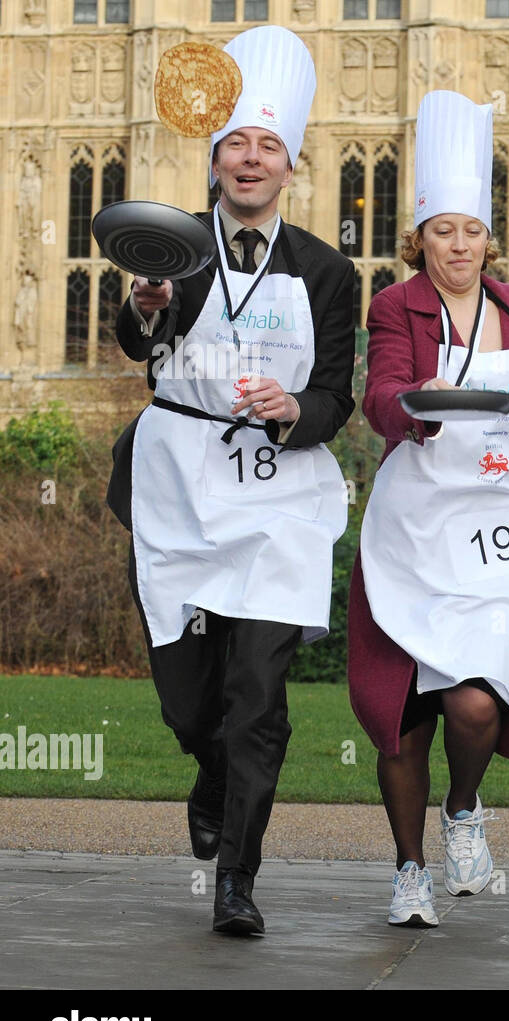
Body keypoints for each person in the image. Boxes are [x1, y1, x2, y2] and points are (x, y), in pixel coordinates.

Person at [108, 25, 354, 936]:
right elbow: (142, 347)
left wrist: (295, 409)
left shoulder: (328, 271)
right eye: (236, 145)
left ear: (291, 163)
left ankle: (237, 881)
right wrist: (145, 306)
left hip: (277, 501)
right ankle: (208, 770)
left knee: (259, 695)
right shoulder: (170, 246)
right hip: (177, 489)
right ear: (215, 158)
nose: (251, 160)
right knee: (190, 703)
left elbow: (338, 395)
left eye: (268, 147)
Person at [348, 90, 509, 929]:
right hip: (413, 533)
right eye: (442, 230)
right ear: (420, 239)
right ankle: (410, 871)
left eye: (472, 230)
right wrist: (412, 403)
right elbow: (378, 391)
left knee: (477, 701)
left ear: (488, 238)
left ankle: (464, 811)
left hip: (494, 533)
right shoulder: (395, 308)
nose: (458, 245)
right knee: (404, 719)